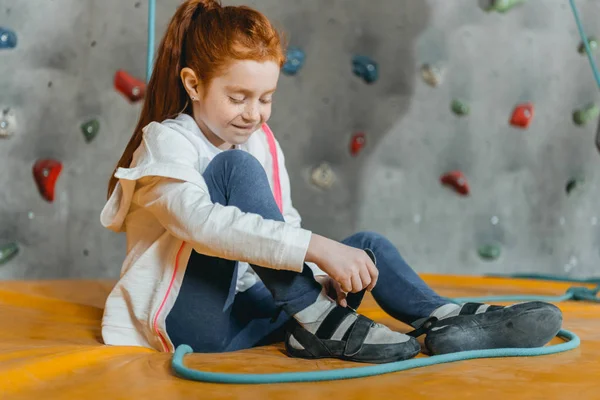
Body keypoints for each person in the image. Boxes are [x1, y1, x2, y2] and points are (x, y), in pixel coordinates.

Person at [100, 0, 562, 364]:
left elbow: (282, 221)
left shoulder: (259, 139)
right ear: (194, 84)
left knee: (367, 246)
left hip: (253, 315)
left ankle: (443, 320)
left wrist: (322, 275)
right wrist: (316, 249)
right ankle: (317, 320)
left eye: (265, 98)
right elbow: (199, 225)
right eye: (237, 97)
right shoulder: (167, 143)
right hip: (190, 323)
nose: (253, 113)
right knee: (234, 172)